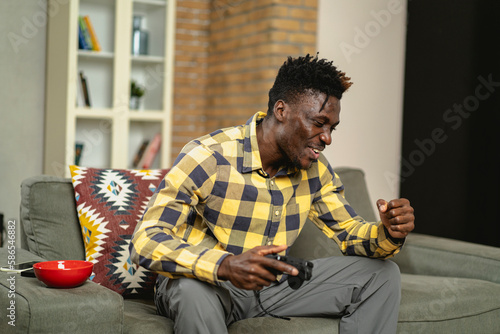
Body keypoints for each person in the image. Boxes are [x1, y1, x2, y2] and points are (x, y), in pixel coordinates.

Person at [130, 54, 415, 333]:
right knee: (190, 290)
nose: (327, 138)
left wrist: (388, 232)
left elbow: (351, 233)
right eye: (318, 123)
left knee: (381, 275)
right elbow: (145, 240)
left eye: (331, 128)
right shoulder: (209, 156)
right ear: (281, 111)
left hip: (273, 287)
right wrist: (225, 265)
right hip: (210, 283)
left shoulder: (314, 169)